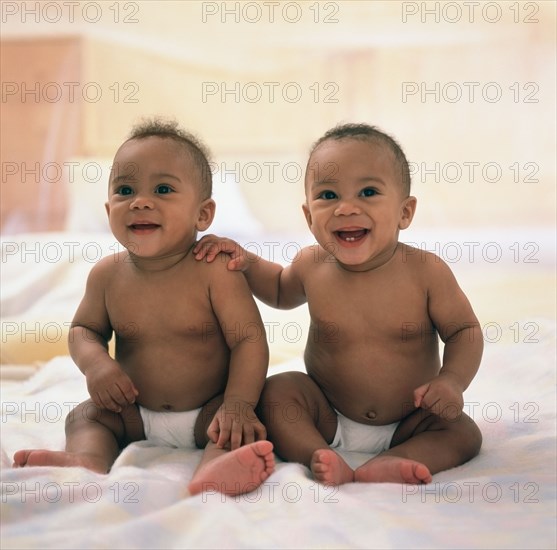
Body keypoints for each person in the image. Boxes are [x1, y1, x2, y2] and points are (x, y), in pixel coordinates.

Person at [194, 123, 483, 486]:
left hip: (411, 418)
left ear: (405, 212)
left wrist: (452, 381)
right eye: (328, 196)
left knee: (463, 433)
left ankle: (396, 459)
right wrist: (245, 261)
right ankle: (317, 452)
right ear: (308, 216)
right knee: (279, 391)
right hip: (328, 412)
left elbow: (464, 331)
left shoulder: (425, 272)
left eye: (368, 192)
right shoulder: (312, 265)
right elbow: (281, 292)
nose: (346, 208)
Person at [13, 118, 275, 496]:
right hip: (132, 412)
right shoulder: (107, 275)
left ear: (202, 215)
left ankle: (215, 467)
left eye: (163, 189)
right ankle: (87, 459)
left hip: (208, 410)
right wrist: (97, 365)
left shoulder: (215, 270)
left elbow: (249, 341)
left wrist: (236, 404)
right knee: (85, 416)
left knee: (246, 420)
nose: (140, 201)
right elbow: (83, 331)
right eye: (125, 190)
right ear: (108, 211)